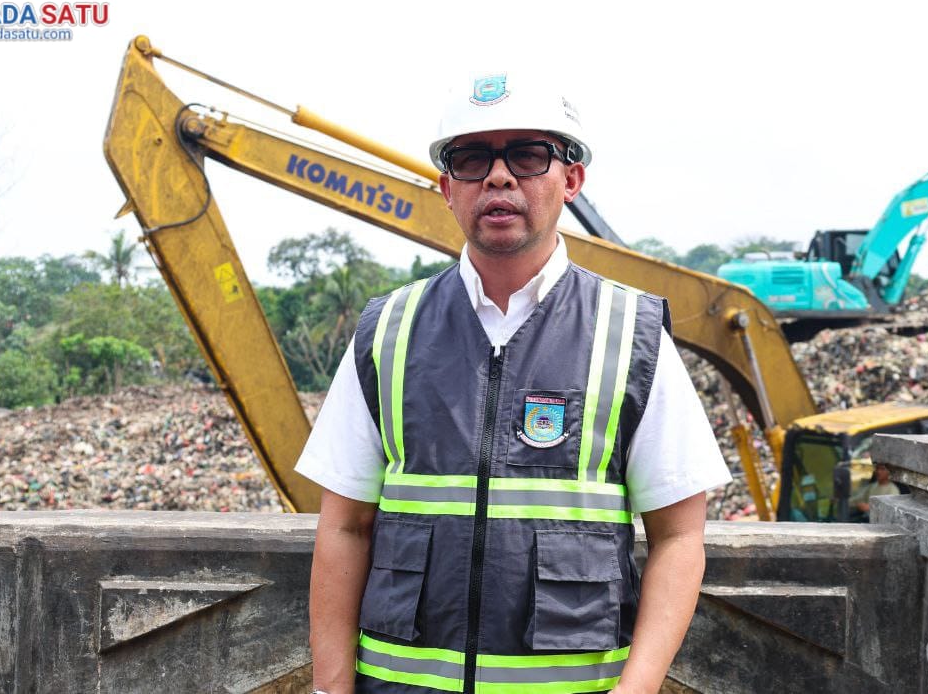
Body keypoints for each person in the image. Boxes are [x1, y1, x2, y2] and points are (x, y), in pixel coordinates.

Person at [295, 72, 732, 694]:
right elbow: (343, 527)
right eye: (472, 159)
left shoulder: (628, 334)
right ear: (447, 188)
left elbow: (680, 537)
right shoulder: (387, 331)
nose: (498, 178)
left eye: (527, 155)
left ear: (571, 179)